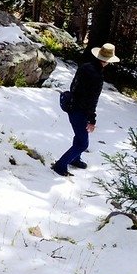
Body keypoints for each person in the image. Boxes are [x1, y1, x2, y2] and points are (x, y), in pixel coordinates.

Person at [51, 43, 120, 177]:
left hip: (71, 105)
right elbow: (92, 100)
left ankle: (75, 159)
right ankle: (60, 165)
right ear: (107, 61)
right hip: (80, 110)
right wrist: (92, 119)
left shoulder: (85, 66)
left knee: (79, 136)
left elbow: (74, 86)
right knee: (83, 143)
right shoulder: (97, 76)